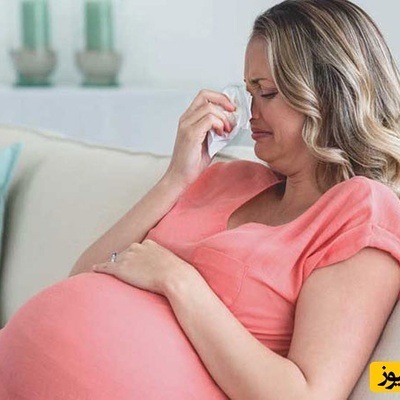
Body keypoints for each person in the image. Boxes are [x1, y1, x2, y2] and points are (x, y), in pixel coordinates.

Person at [1, 0, 400, 399]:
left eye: (267, 92)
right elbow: (85, 274)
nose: (250, 112)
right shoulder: (228, 178)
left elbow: (305, 395)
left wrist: (178, 280)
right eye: (248, 92)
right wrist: (176, 177)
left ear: (329, 93)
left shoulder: (361, 210)